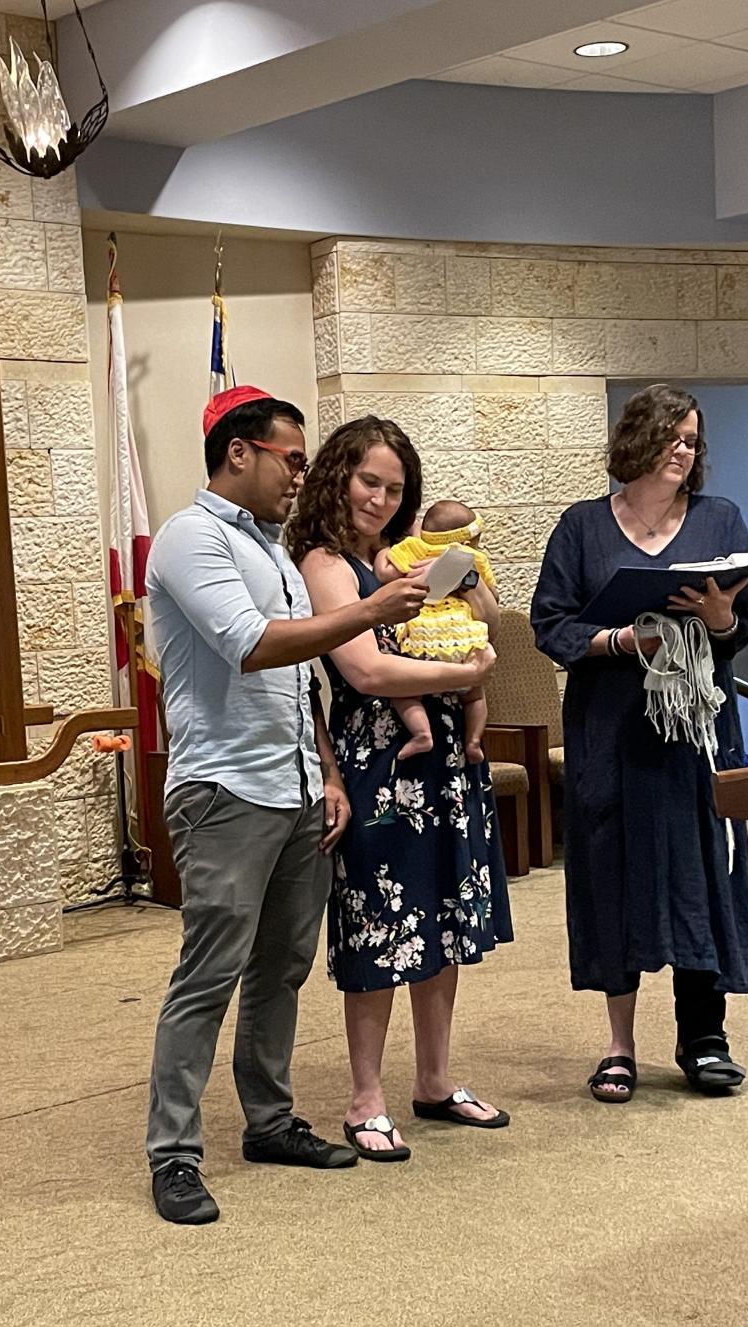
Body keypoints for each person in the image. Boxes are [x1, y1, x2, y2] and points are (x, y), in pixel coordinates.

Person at [144, 386, 431, 1224]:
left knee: (282, 969)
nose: (302, 479)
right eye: (292, 461)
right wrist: (369, 612)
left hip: (299, 789)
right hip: (225, 789)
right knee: (210, 973)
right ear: (241, 451)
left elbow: (302, 687)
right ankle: (174, 1155)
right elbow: (252, 647)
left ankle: (268, 1122)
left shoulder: (272, 549)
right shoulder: (189, 539)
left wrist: (333, 774)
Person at [530, 382, 748, 1103]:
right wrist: (623, 638)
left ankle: (704, 1039)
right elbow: (552, 624)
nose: (684, 452)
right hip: (612, 729)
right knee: (613, 872)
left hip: (694, 734)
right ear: (638, 440)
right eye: (672, 437)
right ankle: (619, 1045)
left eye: (693, 441)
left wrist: (721, 619)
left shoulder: (720, 520)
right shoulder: (582, 526)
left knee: (702, 868)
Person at [290, 416, 513, 1162]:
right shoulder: (325, 562)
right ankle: (365, 1097)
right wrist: (464, 675)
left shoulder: (404, 556)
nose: (380, 499)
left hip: (448, 756)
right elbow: (366, 672)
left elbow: (490, 622)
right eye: (368, 482)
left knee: (444, 918)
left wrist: (470, 577)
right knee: (382, 926)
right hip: (379, 761)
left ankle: (435, 1080)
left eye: (394, 488)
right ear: (337, 478)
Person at [373, 499, 496, 764]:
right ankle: (473, 741)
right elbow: (493, 597)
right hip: (463, 639)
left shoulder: (414, 548)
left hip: (425, 638)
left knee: (406, 692)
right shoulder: (471, 559)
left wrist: (385, 552)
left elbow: (384, 572)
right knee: (474, 695)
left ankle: (421, 733)